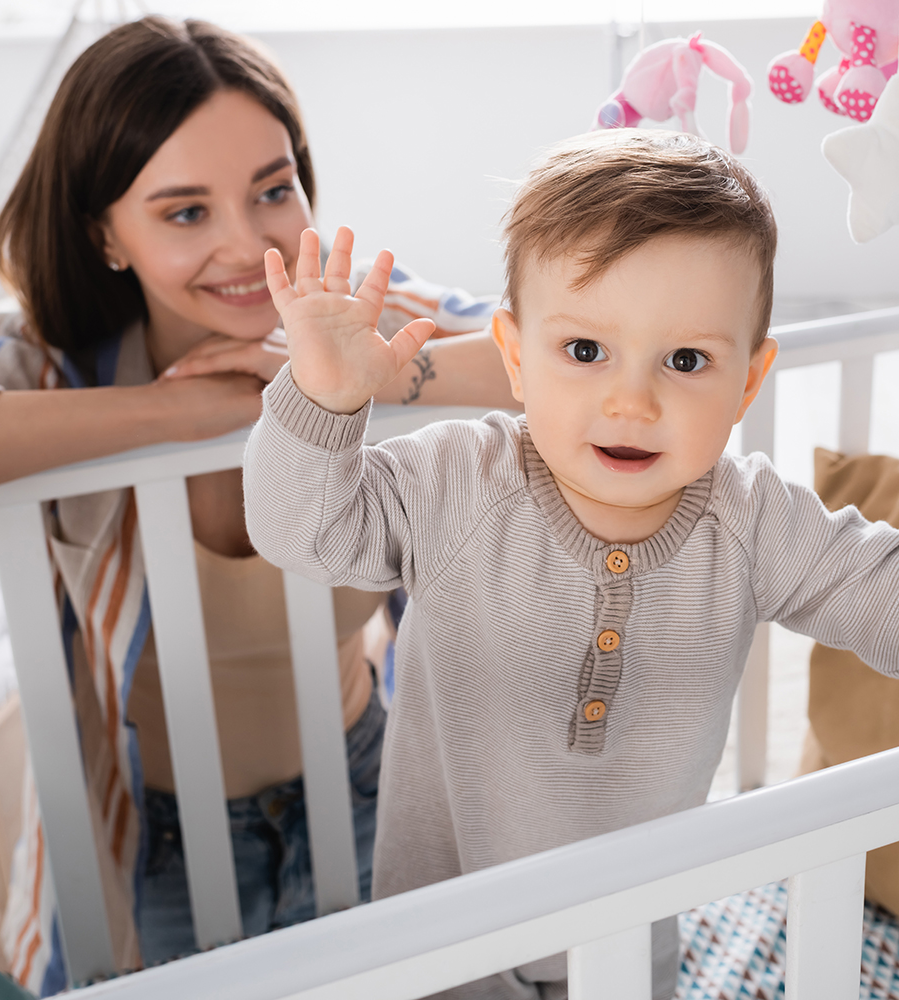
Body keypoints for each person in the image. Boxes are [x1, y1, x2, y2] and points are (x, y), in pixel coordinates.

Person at [0, 16, 517, 994]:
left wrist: (353, 376)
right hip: (151, 838)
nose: (246, 244)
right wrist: (170, 410)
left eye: (274, 190)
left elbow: (565, 354)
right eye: (185, 211)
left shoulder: (355, 314)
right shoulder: (52, 361)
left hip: (367, 783)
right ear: (105, 231)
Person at [242, 129, 899, 1000]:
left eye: (688, 360)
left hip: (631, 934)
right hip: (444, 933)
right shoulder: (457, 482)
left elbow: (875, 588)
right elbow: (303, 532)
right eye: (585, 352)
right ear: (515, 357)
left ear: (748, 382)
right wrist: (322, 398)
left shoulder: (754, 522)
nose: (633, 400)